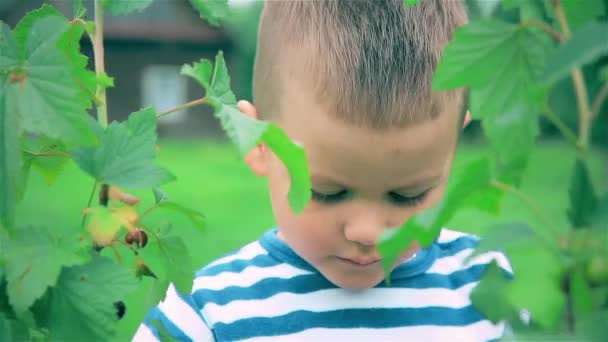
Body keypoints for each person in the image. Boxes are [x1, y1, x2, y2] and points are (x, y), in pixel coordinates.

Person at [133, 0, 511, 341]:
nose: (369, 232)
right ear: (257, 142)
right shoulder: (206, 315)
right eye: (328, 193)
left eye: (408, 195)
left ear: (452, 145)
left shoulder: (485, 284)